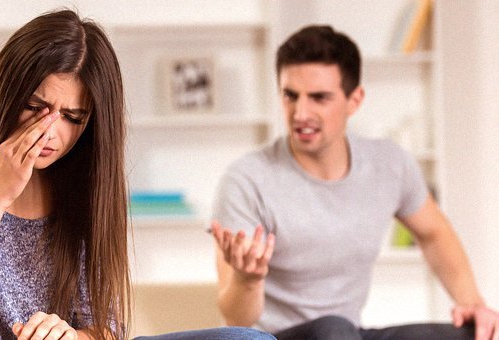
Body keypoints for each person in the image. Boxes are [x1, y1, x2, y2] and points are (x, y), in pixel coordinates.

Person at [0, 8, 273, 340]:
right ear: (4, 92)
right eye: (36, 107)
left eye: (73, 117)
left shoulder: (83, 184)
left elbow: (106, 328)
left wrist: (70, 336)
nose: (51, 131)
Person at [210, 25, 499, 340]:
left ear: (355, 99)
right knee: (332, 327)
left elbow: (434, 233)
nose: (300, 112)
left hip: (348, 334)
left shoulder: (389, 164)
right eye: (290, 96)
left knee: (471, 335)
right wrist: (247, 279)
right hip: (277, 339)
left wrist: (472, 303)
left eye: (319, 97)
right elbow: (235, 318)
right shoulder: (246, 180)